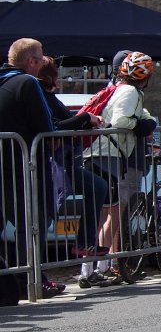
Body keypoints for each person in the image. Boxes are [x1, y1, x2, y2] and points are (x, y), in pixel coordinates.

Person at [83, 51, 158, 286]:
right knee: (110, 213)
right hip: (107, 155)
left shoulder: (125, 90)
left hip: (104, 154)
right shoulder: (130, 92)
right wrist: (143, 125)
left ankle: (96, 267)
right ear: (144, 76)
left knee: (105, 213)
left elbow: (138, 114)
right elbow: (121, 121)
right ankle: (94, 268)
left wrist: (148, 120)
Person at [0, 38, 62, 299]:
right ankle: (33, 280)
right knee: (32, 224)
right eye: (41, 57)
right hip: (21, 165)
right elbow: (46, 128)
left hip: (4, 164)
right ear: (32, 62)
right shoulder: (28, 82)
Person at [35, 58, 111, 270]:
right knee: (43, 218)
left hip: (64, 162)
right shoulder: (39, 93)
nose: (58, 79)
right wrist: (86, 116)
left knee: (97, 186)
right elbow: (56, 126)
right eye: (56, 74)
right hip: (51, 163)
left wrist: (87, 120)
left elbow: (67, 120)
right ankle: (35, 274)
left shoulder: (49, 96)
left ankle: (84, 242)